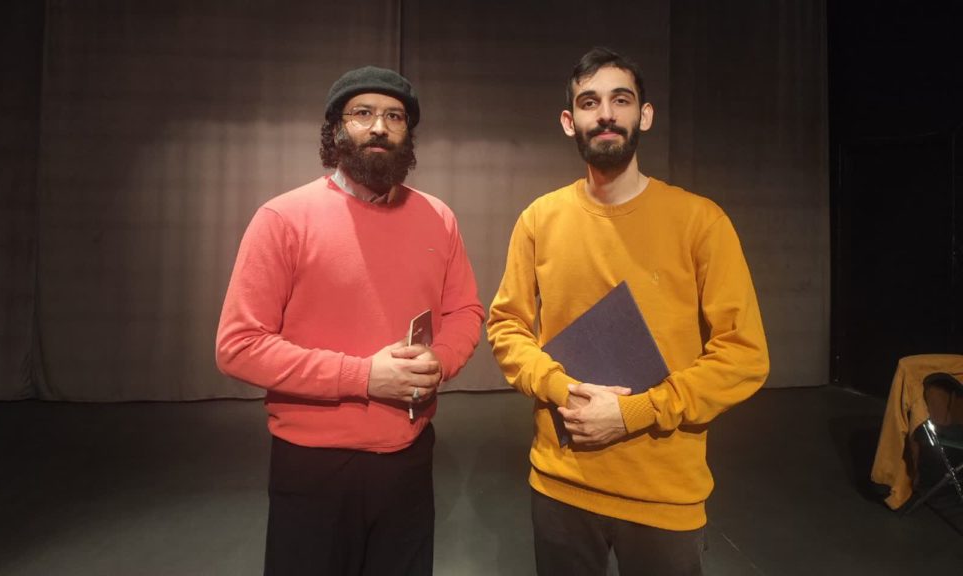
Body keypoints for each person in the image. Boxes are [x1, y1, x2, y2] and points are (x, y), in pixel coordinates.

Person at [487, 47, 769, 576]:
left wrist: (635, 412)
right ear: (569, 121)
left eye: (621, 100)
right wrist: (559, 388)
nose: (606, 114)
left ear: (645, 115)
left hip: (664, 495)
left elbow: (745, 356)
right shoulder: (539, 219)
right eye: (589, 102)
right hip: (561, 484)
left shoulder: (700, 222)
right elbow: (507, 326)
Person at [217, 66, 483, 576]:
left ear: (408, 134)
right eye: (363, 113)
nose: (379, 126)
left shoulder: (439, 217)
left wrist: (440, 361)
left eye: (394, 117)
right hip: (314, 463)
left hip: (409, 455)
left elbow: (466, 311)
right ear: (335, 129)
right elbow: (239, 345)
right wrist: (364, 376)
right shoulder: (283, 219)